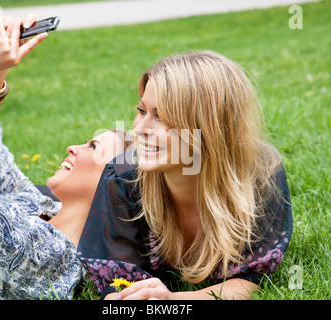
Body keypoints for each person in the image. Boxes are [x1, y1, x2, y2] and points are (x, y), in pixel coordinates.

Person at [0, 15, 129, 299]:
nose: (73, 147)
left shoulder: (53, 258)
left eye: (93, 147)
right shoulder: (42, 207)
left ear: (115, 187)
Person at [77, 51, 293, 300]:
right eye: (141, 110)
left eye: (160, 116)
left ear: (207, 128)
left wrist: (173, 300)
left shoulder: (260, 172)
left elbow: (247, 280)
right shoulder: (122, 178)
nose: (140, 128)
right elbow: (118, 284)